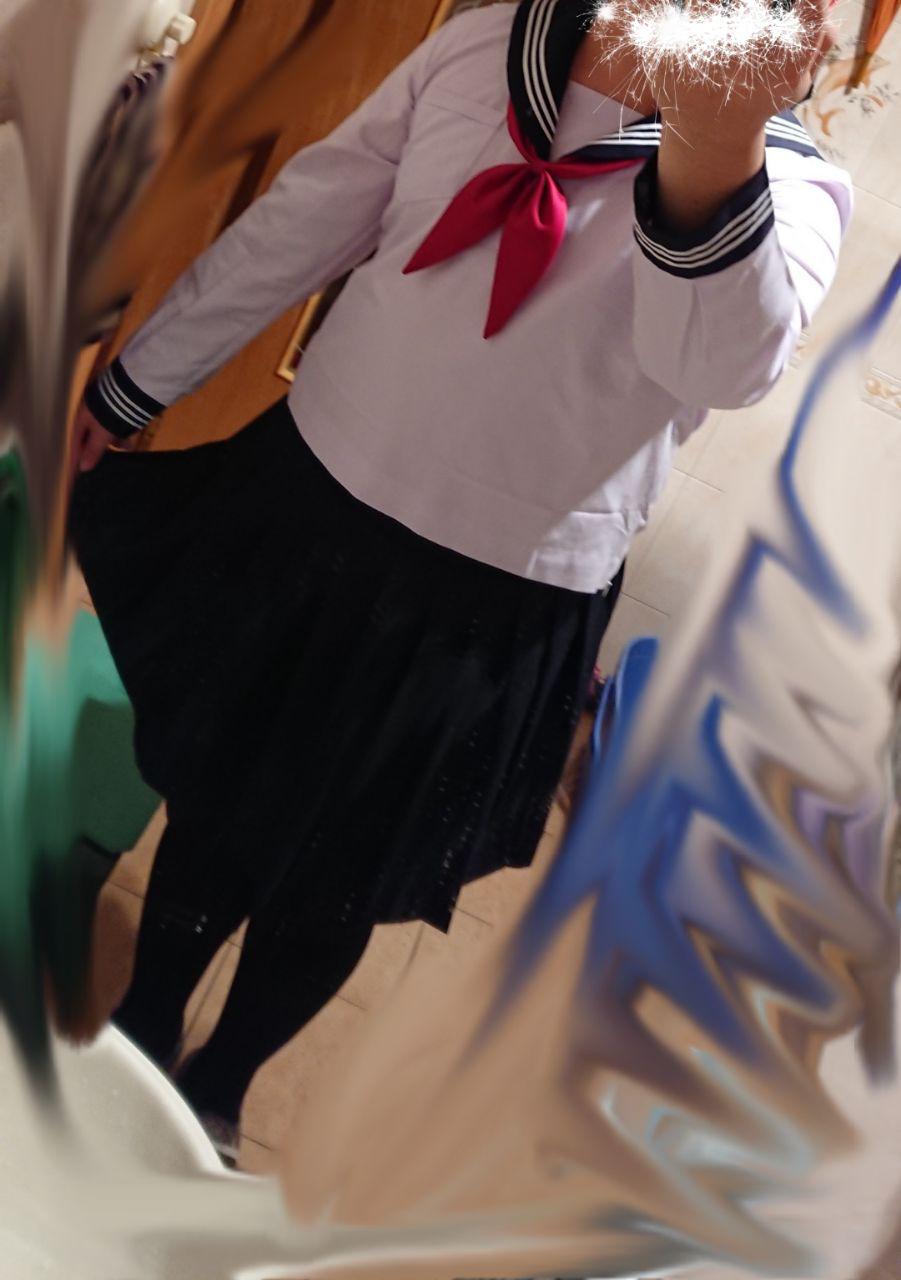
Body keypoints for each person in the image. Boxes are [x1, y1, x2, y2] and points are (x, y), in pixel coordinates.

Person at [68, 0, 848, 1162]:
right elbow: (311, 214)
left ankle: (221, 1084)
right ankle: (141, 1023)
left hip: (498, 602)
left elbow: (717, 361)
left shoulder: (795, 189)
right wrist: (143, 374)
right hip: (312, 504)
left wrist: (712, 138)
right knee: (223, 801)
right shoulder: (487, 44)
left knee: (346, 872)